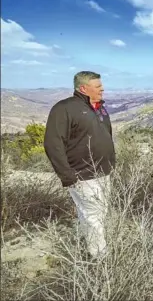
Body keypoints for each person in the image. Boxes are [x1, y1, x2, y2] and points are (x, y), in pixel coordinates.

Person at [44, 71, 115, 259]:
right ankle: (100, 258)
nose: (102, 89)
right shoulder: (64, 108)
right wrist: (67, 176)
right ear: (84, 88)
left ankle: (89, 247)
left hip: (103, 172)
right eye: (98, 86)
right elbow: (53, 143)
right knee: (93, 216)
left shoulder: (99, 107)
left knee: (95, 214)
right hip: (83, 175)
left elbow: (107, 135)